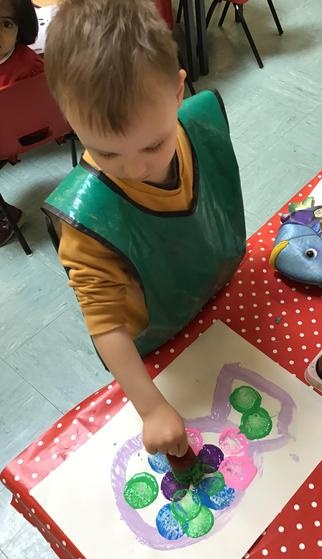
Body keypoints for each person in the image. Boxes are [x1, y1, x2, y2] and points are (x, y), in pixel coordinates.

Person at [42, 0, 246, 459]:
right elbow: (105, 324)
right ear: (70, 121)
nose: (136, 169)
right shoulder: (86, 218)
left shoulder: (199, 123)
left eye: (153, 145)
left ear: (178, 92)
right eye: (107, 153)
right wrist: (151, 408)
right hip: (160, 340)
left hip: (221, 291)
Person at [0, 0, 44, 247]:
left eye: (6, 23)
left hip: (23, 135)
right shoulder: (30, 61)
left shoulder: (29, 66)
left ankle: (6, 219)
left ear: (21, 27)